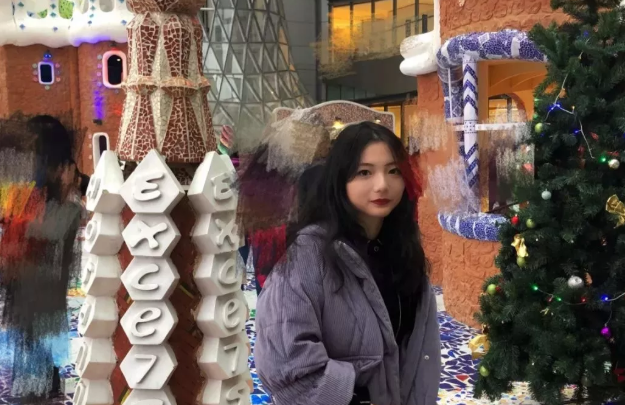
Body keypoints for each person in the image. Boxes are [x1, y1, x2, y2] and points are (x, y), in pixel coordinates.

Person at [254, 121, 440, 405]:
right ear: (340, 180)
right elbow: (284, 365)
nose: (382, 184)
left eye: (393, 171)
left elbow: (419, 353)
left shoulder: (403, 250)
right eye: (364, 172)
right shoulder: (307, 255)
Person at [0, 115, 85, 400]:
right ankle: (40, 387)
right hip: (31, 296)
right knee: (33, 356)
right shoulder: (36, 202)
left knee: (36, 357)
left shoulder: (57, 207)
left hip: (38, 298)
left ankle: (41, 386)